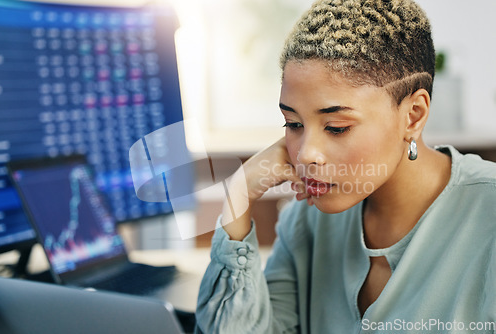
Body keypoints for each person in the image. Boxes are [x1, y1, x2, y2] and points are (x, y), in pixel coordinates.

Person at [195, 0, 496, 333]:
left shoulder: (489, 218)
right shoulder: (307, 220)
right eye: (293, 123)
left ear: (413, 115)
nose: (306, 154)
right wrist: (238, 193)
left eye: (337, 127)